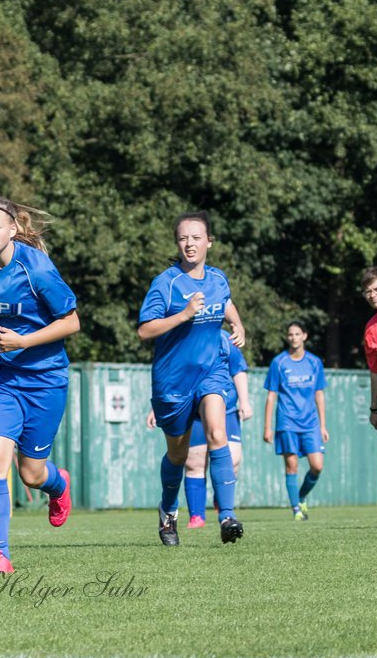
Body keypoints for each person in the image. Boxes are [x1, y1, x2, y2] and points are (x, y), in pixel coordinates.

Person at [0, 196, 79, 575]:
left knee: (31, 473)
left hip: (46, 380)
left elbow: (72, 322)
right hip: (0, 380)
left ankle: (58, 485)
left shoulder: (37, 269)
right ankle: (0, 556)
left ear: (13, 229)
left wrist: (24, 342)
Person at [138, 210, 246, 547]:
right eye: (184, 238)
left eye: (196, 237)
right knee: (178, 455)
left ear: (209, 242)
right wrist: (183, 315)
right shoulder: (166, 283)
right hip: (172, 382)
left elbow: (225, 303)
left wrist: (237, 324)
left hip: (210, 371)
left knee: (218, 433)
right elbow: (144, 330)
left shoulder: (217, 279)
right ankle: (168, 511)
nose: (189, 244)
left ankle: (226, 516)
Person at [145, 332, 250, 528]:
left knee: (231, 455)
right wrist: (157, 406)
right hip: (187, 407)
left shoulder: (225, 339)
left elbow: (238, 369)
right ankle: (195, 515)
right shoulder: (177, 338)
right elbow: (164, 372)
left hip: (222, 403)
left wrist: (244, 401)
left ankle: (226, 511)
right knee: (188, 460)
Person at [263, 322, 328, 521]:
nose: (293, 337)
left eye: (297, 334)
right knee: (291, 466)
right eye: (290, 334)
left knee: (317, 466)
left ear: (304, 336)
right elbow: (272, 396)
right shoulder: (279, 362)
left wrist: (323, 425)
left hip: (310, 423)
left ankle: (300, 496)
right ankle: (296, 510)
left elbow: (319, 394)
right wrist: (267, 427)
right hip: (287, 422)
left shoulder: (315, 362)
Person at [362, 267, 377, 433]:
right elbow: (376, 371)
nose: (372, 295)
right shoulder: (371, 329)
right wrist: (374, 408)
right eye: (368, 291)